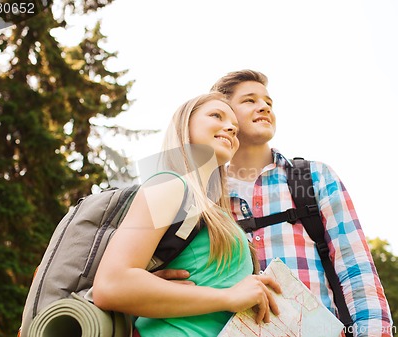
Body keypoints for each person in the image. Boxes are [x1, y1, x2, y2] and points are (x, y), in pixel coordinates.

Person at [206, 69, 394, 337]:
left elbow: (356, 269)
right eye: (250, 100)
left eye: (268, 103)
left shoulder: (314, 176)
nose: (263, 107)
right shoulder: (203, 193)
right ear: (222, 114)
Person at [93, 92, 281, 337]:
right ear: (185, 126)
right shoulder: (170, 185)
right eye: (216, 115)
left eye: (234, 128)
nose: (231, 129)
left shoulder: (213, 210)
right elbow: (111, 285)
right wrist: (227, 297)